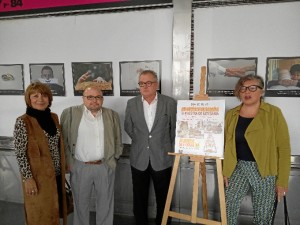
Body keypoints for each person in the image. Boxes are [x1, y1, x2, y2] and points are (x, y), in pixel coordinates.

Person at [223, 74, 291, 225]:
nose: (247, 92)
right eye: (243, 88)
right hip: (238, 167)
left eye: (252, 88)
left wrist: (282, 181)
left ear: (262, 91)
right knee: (228, 207)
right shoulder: (231, 114)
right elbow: (227, 146)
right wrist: (226, 170)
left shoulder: (273, 113)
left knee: (263, 214)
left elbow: (284, 148)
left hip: (264, 170)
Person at [60, 84, 123, 225]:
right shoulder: (69, 113)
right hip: (80, 167)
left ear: (102, 99)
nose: (94, 100)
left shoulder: (112, 115)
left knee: (105, 204)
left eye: (98, 97)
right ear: (83, 98)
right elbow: (63, 141)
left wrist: (114, 159)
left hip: (105, 166)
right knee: (81, 204)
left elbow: (118, 139)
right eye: (90, 97)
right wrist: (69, 163)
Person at [124, 70, 177, 225]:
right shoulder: (131, 103)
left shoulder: (169, 103)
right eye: (141, 83)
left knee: (164, 197)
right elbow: (128, 126)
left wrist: (163, 145)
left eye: (149, 83)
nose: (145, 86)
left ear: (157, 84)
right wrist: (142, 141)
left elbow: (174, 129)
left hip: (162, 157)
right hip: (139, 157)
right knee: (139, 197)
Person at [13, 82, 67, 225]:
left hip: (56, 175)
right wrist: (28, 178)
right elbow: (20, 153)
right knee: (39, 214)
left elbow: (58, 146)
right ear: (28, 99)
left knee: (54, 213)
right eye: (35, 95)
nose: (40, 99)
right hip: (38, 178)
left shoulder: (54, 118)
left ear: (49, 98)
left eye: (44, 95)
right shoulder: (22, 122)